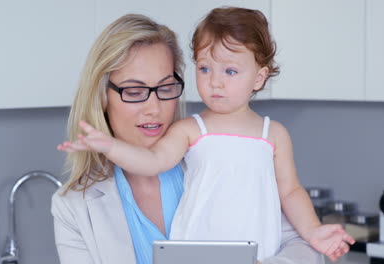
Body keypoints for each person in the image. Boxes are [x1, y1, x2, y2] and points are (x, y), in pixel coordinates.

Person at [58, 7, 355, 262]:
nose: (153, 107)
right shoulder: (72, 206)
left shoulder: (234, 150)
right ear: (102, 97)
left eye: (165, 88)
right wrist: (108, 146)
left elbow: (301, 241)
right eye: (135, 91)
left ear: (259, 77)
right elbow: (149, 161)